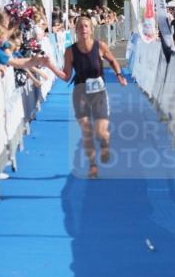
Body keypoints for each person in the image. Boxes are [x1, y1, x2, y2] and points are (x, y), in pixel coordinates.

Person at [44, 16, 127, 179]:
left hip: (99, 94)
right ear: (76, 30)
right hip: (80, 93)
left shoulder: (100, 46)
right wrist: (50, 66)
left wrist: (119, 75)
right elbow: (67, 76)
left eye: (86, 26)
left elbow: (112, 60)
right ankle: (93, 166)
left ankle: (105, 143)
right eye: (80, 27)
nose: (83, 30)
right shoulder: (70, 51)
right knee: (87, 131)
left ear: (91, 29)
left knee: (101, 132)